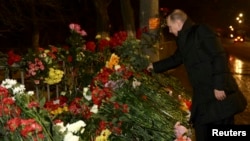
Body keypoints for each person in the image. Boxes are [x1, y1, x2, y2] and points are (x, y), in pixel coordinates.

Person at [147, 9, 247, 141]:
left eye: (170, 27)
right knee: (200, 128)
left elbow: (219, 56)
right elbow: (175, 59)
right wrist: (153, 66)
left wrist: (219, 85)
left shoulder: (201, 31)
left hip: (218, 95)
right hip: (203, 96)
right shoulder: (183, 40)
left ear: (178, 23)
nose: (170, 31)